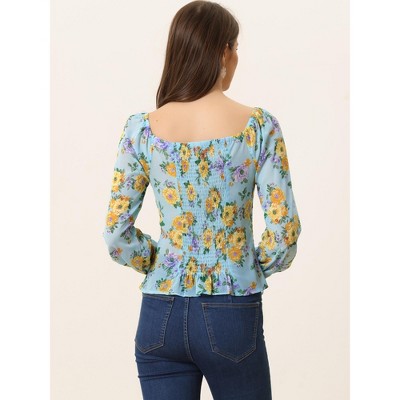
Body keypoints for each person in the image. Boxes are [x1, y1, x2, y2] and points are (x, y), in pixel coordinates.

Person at [102, 1, 302, 399]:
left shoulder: (141, 130)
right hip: (231, 312)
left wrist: (159, 262)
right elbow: (284, 233)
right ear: (224, 52)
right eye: (236, 48)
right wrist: (245, 267)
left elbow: (116, 234)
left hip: (159, 314)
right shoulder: (258, 127)